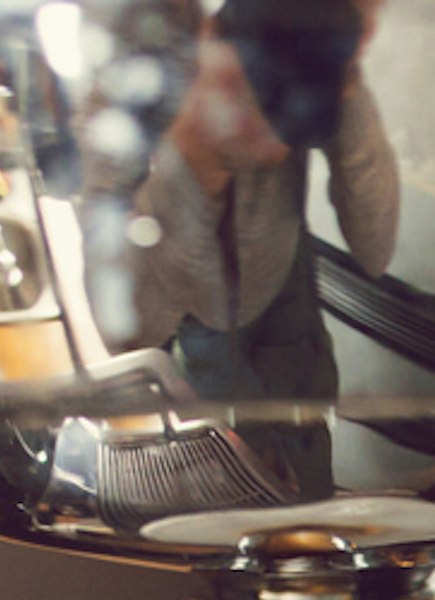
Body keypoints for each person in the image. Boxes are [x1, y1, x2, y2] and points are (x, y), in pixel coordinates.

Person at [129, 0, 399, 496]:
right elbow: (132, 334)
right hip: (192, 328)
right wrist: (193, 168)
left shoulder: (306, 60)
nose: (276, 142)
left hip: (287, 311)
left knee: (308, 496)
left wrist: (347, 87)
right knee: (224, 495)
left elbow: (376, 251)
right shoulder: (141, 77)